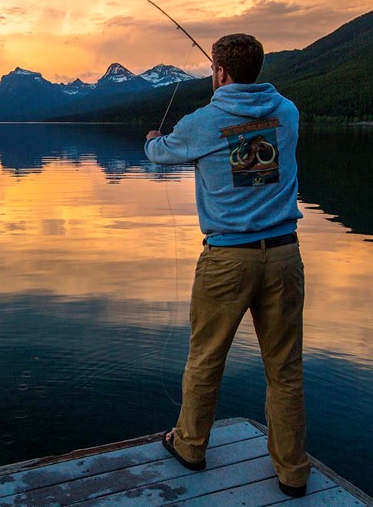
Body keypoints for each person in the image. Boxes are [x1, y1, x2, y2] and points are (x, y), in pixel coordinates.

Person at [145, 33, 311, 498]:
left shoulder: (206, 120)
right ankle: (293, 472)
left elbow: (159, 156)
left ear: (219, 72)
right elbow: (253, 152)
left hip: (227, 261)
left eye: (214, 71)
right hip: (283, 254)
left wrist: (155, 139)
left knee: (205, 359)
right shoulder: (288, 112)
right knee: (286, 368)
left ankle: (191, 447)